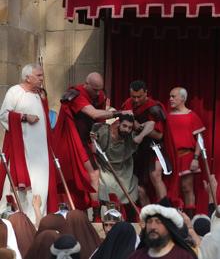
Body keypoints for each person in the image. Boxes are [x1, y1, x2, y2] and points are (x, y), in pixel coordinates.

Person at [54, 72, 131, 215]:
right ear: (86, 84)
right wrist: (120, 113)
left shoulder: (99, 96)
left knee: (93, 175)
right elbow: (94, 114)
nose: (97, 93)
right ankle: (93, 213)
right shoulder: (76, 95)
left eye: (100, 89)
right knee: (90, 174)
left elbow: (98, 121)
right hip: (72, 141)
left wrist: (95, 140)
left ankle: (95, 213)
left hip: (85, 140)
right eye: (94, 89)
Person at [0, 63, 58, 223]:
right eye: (38, 76)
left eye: (41, 75)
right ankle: (20, 223)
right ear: (27, 77)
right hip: (23, 151)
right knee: (23, 190)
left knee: (40, 188)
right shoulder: (15, 91)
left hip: (41, 154)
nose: (42, 79)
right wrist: (25, 117)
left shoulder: (40, 94)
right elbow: (4, 115)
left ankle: (39, 221)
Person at [92, 113, 155, 221]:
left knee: (141, 192)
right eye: (124, 126)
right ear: (118, 124)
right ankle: (100, 218)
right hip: (106, 170)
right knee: (108, 190)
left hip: (124, 172)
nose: (127, 129)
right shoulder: (104, 132)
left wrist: (141, 135)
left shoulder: (132, 136)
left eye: (130, 127)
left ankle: (149, 219)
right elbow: (93, 134)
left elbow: (151, 124)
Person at [122, 80, 174, 205]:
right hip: (134, 148)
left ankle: (164, 210)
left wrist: (139, 128)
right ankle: (147, 214)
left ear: (146, 93)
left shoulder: (154, 108)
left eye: (139, 97)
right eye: (133, 96)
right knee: (137, 184)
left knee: (155, 176)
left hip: (153, 147)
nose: (136, 100)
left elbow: (159, 135)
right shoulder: (127, 104)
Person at [168, 87, 205, 217]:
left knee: (187, 188)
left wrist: (196, 158)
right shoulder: (167, 116)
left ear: (183, 98)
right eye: (170, 96)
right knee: (171, 190)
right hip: (170, 158)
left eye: (174, 96)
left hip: (187, 156)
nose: (170, 99)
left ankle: (190, 221)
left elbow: (200, 139)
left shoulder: (192, 115)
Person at [129, 204, 198, 259]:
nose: (153, 227)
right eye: (149, 222)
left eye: (158, 222)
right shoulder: (136, 256)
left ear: (169, 227)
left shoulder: (184, 257)